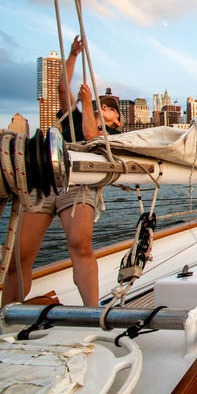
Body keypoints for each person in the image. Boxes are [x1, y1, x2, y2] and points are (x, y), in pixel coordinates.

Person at [1, 36, 121, 307]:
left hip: (79, 185)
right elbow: (60, 88)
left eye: (110, 108)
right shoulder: (74, 117)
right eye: (102, 105)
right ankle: (5, 317)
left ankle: (91, 312)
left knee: (80, 246)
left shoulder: (114, 133)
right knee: (19, 260)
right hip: (44, 183)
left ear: (117, 118)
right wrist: (72, 55)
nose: (104, 108)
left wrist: (91, 105)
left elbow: (91, 135)